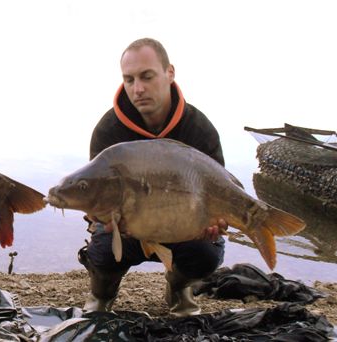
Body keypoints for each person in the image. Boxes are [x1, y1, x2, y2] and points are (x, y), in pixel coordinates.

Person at [78, 38, 227, 317]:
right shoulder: (108, 131)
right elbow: (95, 193)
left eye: (147, 77)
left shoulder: (200, 129)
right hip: (130, 225)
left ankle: (178, 287)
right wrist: (99, 217)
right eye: (129, 79)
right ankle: (102, 294)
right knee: (102, 247)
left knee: (206, 253)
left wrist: (214, 222)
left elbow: (218, 193)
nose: (138, 89)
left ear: (169, 72)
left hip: (184, 225)